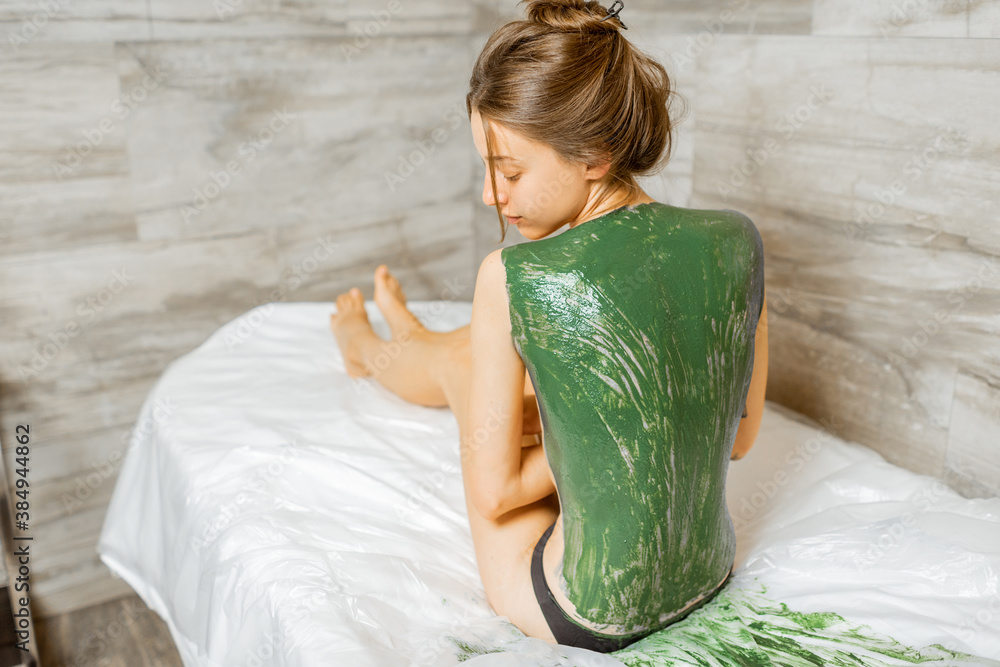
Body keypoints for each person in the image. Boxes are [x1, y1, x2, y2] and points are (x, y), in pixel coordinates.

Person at [329, 0, 768, 652]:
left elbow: (497, 493)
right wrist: (609, 435)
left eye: (508, 172)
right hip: (710, 572)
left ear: (594, 152)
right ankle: (407, 334)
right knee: (502, 378)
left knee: (463, 370)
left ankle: (367, 347)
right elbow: (740, 437)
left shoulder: (511, 276)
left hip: (580, 612)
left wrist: (589, 445)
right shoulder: (739, 239)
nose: (490, 196)